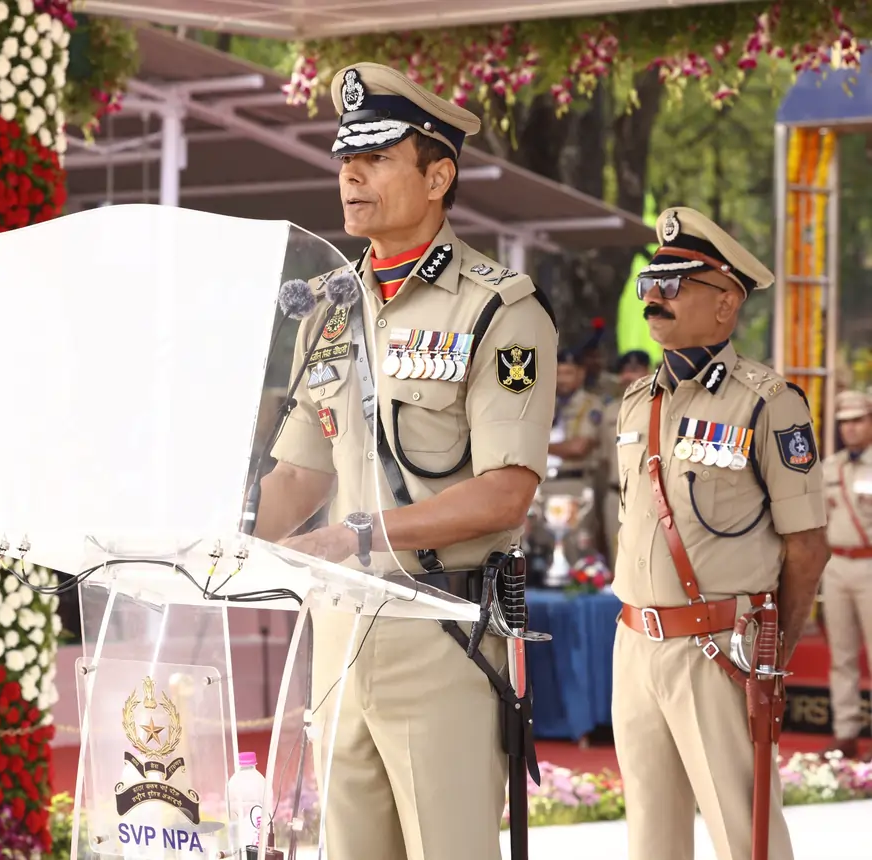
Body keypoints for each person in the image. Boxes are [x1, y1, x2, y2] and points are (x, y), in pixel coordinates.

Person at [252, 63, 557, 860]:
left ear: (438, 177)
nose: (351, 174)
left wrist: (359, 535)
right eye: (345, 158)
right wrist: (221, 539)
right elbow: (299, 474)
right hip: (338, 635)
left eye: (378, 157)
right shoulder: (328, 308)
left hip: (441, 633)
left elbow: (505, 494)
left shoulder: (498, 308)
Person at [611, 206, 830, 860]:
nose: (654, 297)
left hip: (719, 650)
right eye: (650, 282)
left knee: (744, 832)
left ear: (726, 302)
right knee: (650, 836)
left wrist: (773, 655)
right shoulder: (636, 401)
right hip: (634, 644)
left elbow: (806, 546)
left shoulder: (768, 402)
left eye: (673, 285)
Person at [819, 388, 872, 761]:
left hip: (870, 563)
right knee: (841, 655)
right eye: (844, 423)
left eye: (857, 421)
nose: (850, 428)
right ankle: (846, 732)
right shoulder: (830, 467)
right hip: (836, 564)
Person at [600, 350, 653, 567]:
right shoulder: (610, 410)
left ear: (648, 372)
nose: (629, 376)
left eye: (636, 370)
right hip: (616, 493)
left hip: (648, 495)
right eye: (625, 371)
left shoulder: (661, 406)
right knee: (617, 561)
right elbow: (604, 459)